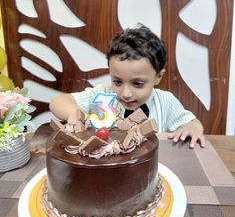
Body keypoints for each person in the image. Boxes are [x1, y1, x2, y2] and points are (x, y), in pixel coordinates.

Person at [49, 24, 205, 149]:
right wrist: (72, 111)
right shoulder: (103, 95)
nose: (126, 93)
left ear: (158, 76)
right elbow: (57, 102)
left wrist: (193, 128)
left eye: (137, 84)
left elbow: (193, 123)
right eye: (117, 82)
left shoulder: (165, 102)